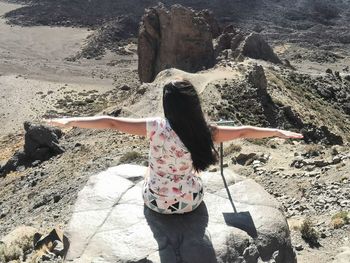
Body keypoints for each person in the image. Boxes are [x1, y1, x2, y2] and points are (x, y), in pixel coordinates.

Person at [46, 79, 303, 214]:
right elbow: (245, 131)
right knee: (194, 172)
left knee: (150, 170)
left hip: (156, 202)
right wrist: (277, 132)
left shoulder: (155, 127)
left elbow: (112, 123)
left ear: (168, 106)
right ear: (193, 105)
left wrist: (72, 121)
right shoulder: (207, 131)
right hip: (190, 202)